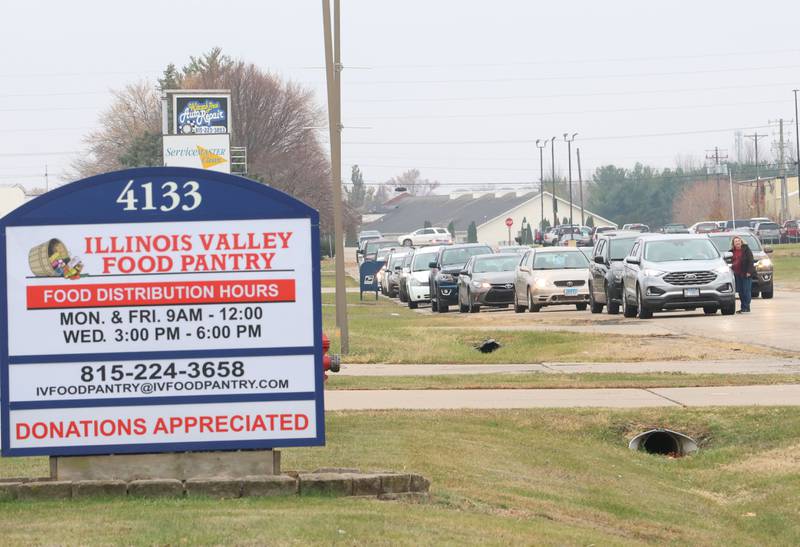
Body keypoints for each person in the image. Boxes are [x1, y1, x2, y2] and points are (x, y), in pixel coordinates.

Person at [730, 236, 756, 313]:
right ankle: (743, 307)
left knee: (746, 291)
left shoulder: (746, 250)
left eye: (738, 241)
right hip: (737, 275)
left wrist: (749, 272)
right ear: (733, 244)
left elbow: (751, 261)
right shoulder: (731, 252)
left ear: (741, 242)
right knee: (741, 292)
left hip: (746, 274)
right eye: (735, 241)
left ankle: (746, 307)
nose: (737, 242)